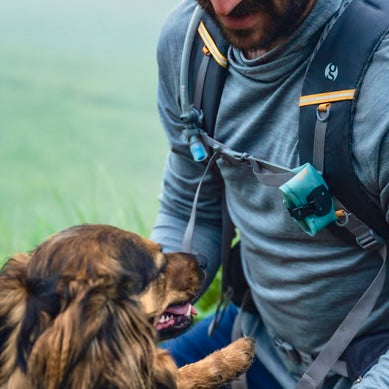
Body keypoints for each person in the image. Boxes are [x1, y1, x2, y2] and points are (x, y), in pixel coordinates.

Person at [150, 0, 389, 387]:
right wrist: (138, 310)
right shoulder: (194, 48)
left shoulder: (380, 85)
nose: (225, 5)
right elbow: (188, 207)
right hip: (256, 343)